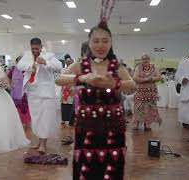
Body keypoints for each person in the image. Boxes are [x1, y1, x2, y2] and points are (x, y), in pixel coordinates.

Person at [55, 19, 135, 179]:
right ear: (89, 44)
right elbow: (58, 79)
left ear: (110, 43)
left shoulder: (116, 66)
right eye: (96, 41)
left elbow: (132, 86)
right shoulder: (81, 65)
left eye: (105, 41)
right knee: (86, 167)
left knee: (111, 167)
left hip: (113, 126)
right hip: (87, 126)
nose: (100, 45)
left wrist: (114, 83)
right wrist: (83, 78)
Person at [17, 38, 62, 154]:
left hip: (46, 93)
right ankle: (38, 141)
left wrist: (46, 62)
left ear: (41, 47)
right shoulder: (27, 56)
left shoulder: (49, 56)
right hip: (32, 92)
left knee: (44, 119)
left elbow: (59, 67)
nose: (35, 51)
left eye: (37, 49)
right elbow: (19, 65)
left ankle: (43, 144)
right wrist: (30, 67)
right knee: (36, 119)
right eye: (33, 49)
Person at [133, 54, 162, 131]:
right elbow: (135, 78)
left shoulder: (154, 67)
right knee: (139, 108)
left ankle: (147, 125)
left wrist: (152, 78)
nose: (145, 60)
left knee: (150, 108)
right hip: (140, 93)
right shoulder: (138, 68)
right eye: (143, 59)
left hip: (151, 93)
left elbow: (159, 77)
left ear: (149, 59)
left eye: (146, 59)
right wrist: (146, 79)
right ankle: (136, 124)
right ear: (141, 60)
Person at [7, 56, 32, 127]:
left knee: (25, 106)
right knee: (17, 106)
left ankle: (27, 121)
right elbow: (8, 77)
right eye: (19, 61)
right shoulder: (13, 69)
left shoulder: (27, 69)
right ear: (17, 62)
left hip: (24, 91)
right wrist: (10, 84)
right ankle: (19, 122)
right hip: (15, 91)